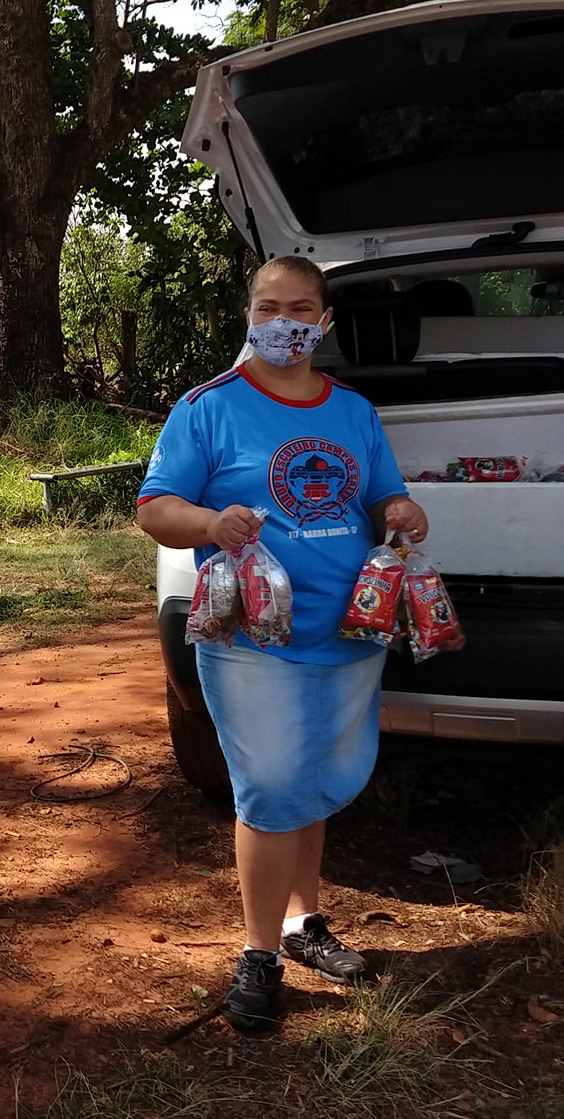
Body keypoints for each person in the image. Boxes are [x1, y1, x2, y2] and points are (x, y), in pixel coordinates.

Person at [137, 257, 428, 1031]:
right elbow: (155, 508)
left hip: (349, 630)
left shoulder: (355, 412)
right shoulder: (208, 408)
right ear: (248, 315)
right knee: (269, 787)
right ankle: (258, 951)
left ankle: (305, 923)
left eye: (301, 308)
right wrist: (207, 524)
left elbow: (377, 494)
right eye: (269, 306)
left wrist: (400, 508)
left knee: (317, 776)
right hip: (251, 637)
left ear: (325, 320)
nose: (285, 321)